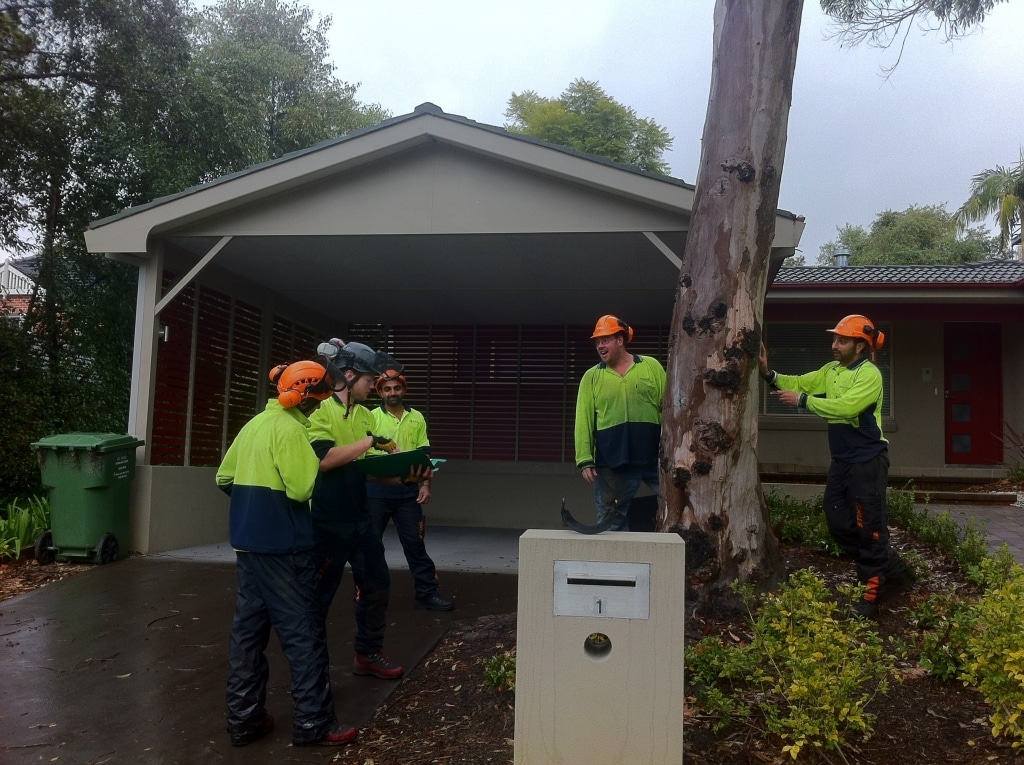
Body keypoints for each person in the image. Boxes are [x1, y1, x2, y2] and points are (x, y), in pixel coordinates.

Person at [216, 360, 358, 748]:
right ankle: (314, 724)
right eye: (318, 399)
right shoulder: (292, 430)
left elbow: (223, 478)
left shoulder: (254, 425)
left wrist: (256, 508)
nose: (316, 407)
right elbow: (299, 489)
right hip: (284, 549)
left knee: (248, 634)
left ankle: (245, 720)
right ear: (307, 397)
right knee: (304, 633)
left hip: (248, 545)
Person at [759, 314, 913, 618]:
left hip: (868, 461)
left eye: (841, 340)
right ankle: (890, 568)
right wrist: (768, 373)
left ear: (860, 345)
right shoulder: (831, 370)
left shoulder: (870, 374)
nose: (834, 345)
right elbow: (801, 382)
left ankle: (871, 595)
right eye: (834, 339)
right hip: (842, 461)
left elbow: (847, 408)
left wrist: (803, 401)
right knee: (837, 522)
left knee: (869, 528)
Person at [308, 339, 428, 681]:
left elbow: (364, 469)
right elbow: (326, 460)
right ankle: (312, 668)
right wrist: (370, 442)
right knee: (317, 597)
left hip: (360, 517)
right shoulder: (321, 410)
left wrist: (407, 476)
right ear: (347, 376)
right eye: (367, 380)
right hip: (327, 522)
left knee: (377, 583)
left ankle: (368, 652)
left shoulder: (361, 415)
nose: (371, 387)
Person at [367, 368, 454, 611]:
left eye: (396, 388)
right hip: (376, 491)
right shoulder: (370, 416)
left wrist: (426, 485)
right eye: (387, 389)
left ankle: (427, 594)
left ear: (403, 390)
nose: (392, 393)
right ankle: (369, 595)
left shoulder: (417, 417)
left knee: (415, 544)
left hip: (408, 492)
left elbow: (424, 454)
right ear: (380, 392)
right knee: (371, 545)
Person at [574, 315, 666, 531]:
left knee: (682, 505)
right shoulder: (592, 377)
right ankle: (612, 564)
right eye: (597, 342)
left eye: (604, 340)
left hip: (655, 458)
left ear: (620, 340)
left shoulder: (650, 366)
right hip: (612, 462)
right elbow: (583, 419)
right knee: (610, 521)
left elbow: (668, 409)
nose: (600, 346)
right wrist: (585, 459)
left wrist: (673, 451)